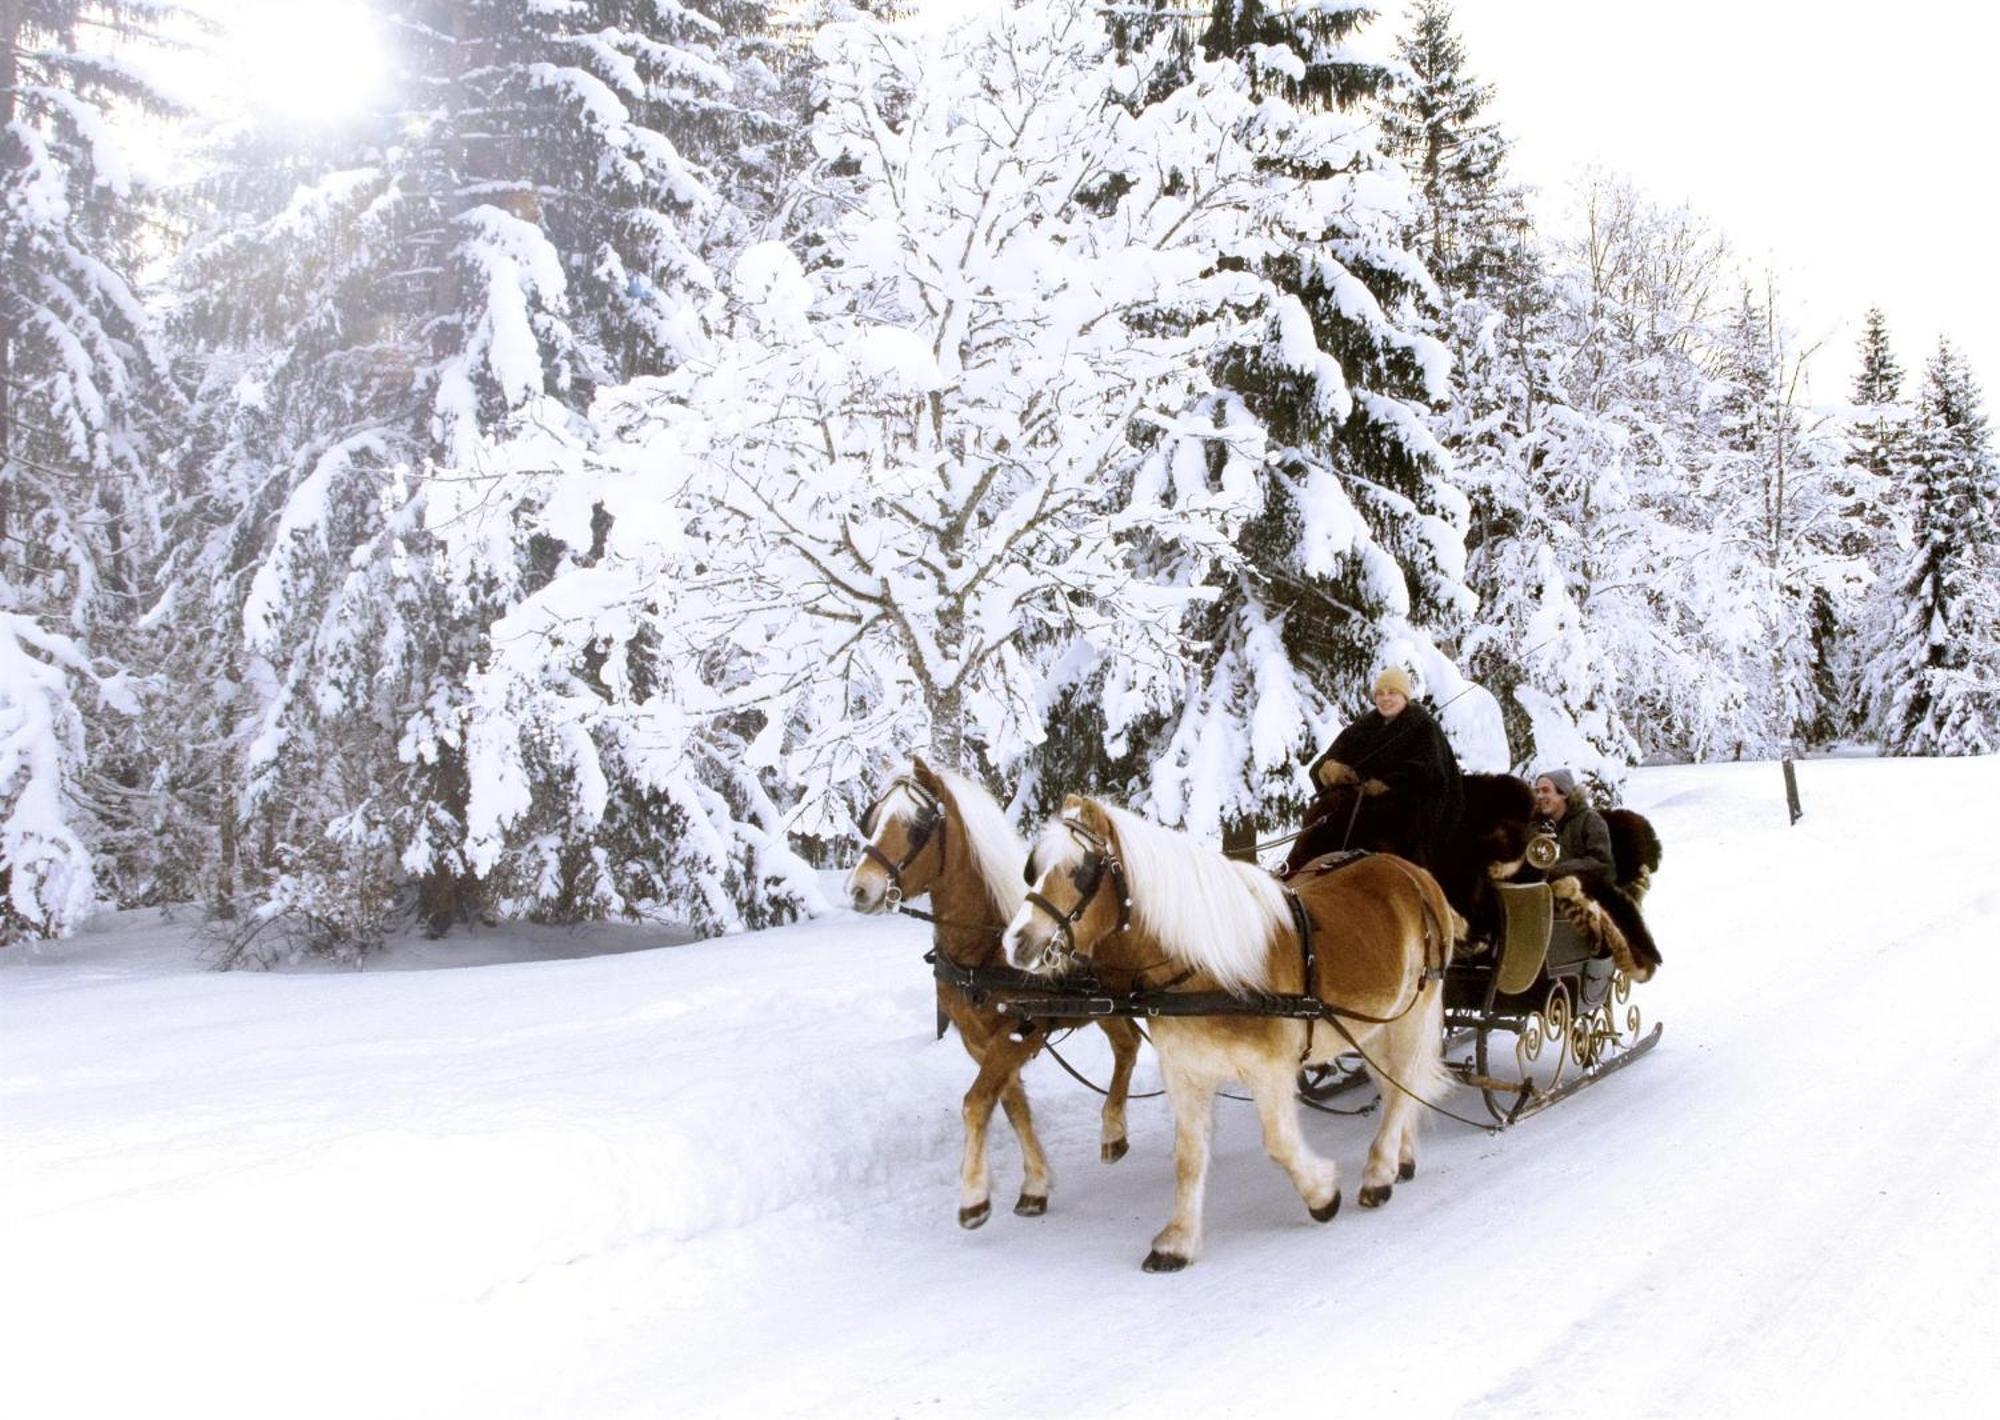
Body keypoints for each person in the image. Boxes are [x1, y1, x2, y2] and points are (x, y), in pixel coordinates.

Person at [1301, 667, 1464, 872]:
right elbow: (1326, 760)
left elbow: (1430, 775)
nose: (1385, 698)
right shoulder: (1365, 726)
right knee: (1324, 811)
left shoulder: (1424, 727)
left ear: (1405, 696)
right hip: (1362, 806)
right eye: (1380, 693)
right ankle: (1300, 869)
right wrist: (1329, 769)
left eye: (1392, 692)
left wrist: (1387, 786)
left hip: (1409, 816)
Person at [1530, 768, 1615, 889]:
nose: (1539, 796)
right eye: (1537, 791)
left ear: (1564, 793)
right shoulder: (1535, 824)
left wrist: (1558, 869)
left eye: (1545, 791)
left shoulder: (1590, 820)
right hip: (1540, 893)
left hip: (1583, 893)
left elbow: (1601, 863)